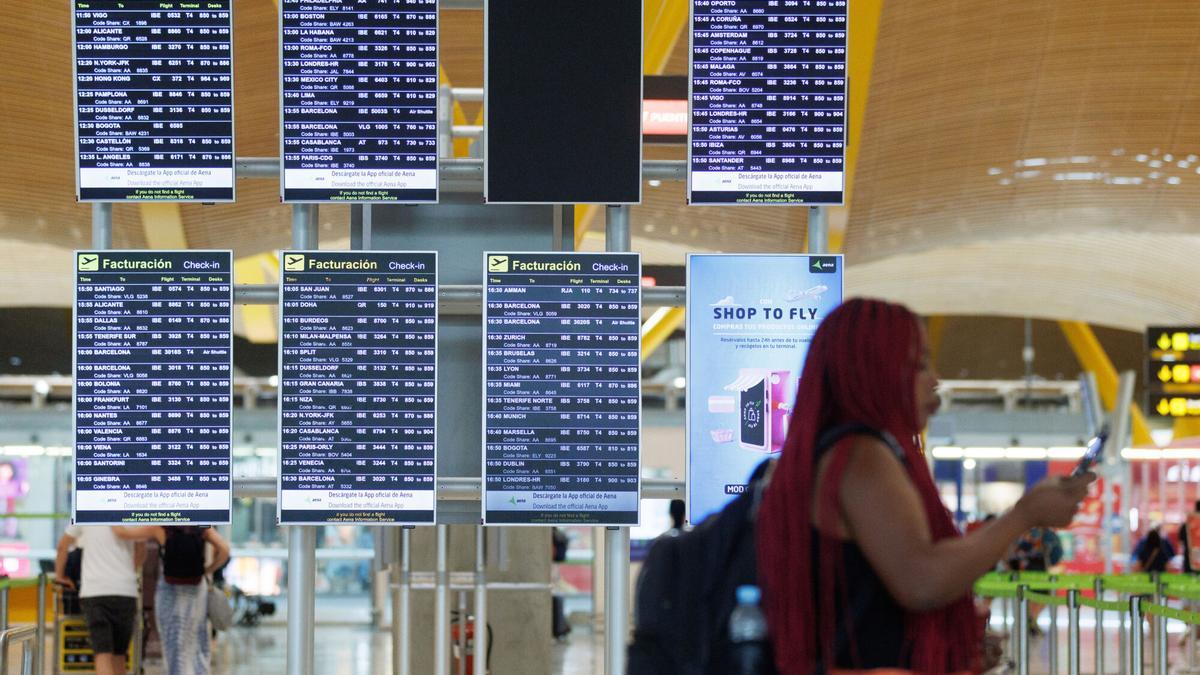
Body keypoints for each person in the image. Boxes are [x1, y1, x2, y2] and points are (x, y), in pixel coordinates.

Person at [755, 298, 1093, 673]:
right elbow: (922, 581)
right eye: (918, 366)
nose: (934, 380)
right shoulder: (861, 457)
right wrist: (1023, 516)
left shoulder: (831, 452)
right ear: (873, 371)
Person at [116, 525, 230, 675]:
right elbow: (224, 549)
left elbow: (124, 533)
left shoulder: (161, 527)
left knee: (172, 642)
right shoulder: (201, 525)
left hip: (169, 588)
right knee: (197, 640)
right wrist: (208, 570)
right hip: (196, 588)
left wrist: (110, 518)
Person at [54, 526, 145, 675]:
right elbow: (141, 548)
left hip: (95, 592)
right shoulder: (130, 514)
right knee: (119, 654)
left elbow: (62, 546)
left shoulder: (84, 514)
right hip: (125, 591)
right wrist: (128, 571)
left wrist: (59, 576)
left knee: (102, 652)